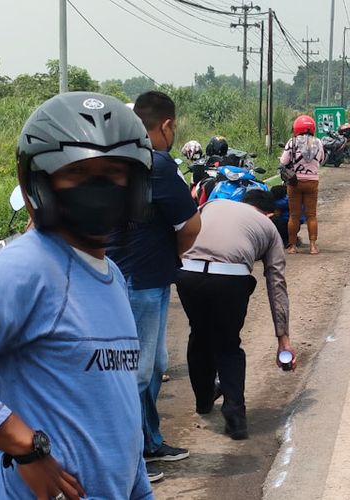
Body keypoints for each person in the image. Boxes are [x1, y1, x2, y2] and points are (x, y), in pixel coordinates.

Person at [0, 92, 153, 497]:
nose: (98, 188)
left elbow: (117, 402)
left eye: (113, 173)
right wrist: (25, 445)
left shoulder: (110, 274)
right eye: (77, 174)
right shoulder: (23, 268)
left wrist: (139, 488)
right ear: (40, 184)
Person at [108, 90, 201, 481]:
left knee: (155, 365)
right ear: (164, 126)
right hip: (140, 280)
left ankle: (149, 441)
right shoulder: (157, 162)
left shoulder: (120, 159)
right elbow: (191, 226)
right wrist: (172, 253)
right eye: (173, 128)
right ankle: (129, 459)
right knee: (139, 371)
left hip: (140, 277)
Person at [176, 190, 295, 439]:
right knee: (228, 345)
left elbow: (183, 230)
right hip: (230, 280)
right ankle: (235, 416)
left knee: (198, 335)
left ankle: (204, 400)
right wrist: (283, 339)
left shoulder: (213, 204)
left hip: (188, 273)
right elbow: (276, 283)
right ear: (270, 214)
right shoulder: (269, 228)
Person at [280, 115, 324, 255]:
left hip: (294, 182)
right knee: (311, 215)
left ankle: (292, 246)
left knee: (294, 216)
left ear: (296, 128)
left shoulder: (292, 142)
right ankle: (312, 246)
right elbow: (322, 159)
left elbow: (284, 161)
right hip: (312, 182)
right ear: (312, 128)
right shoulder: (318, 142)